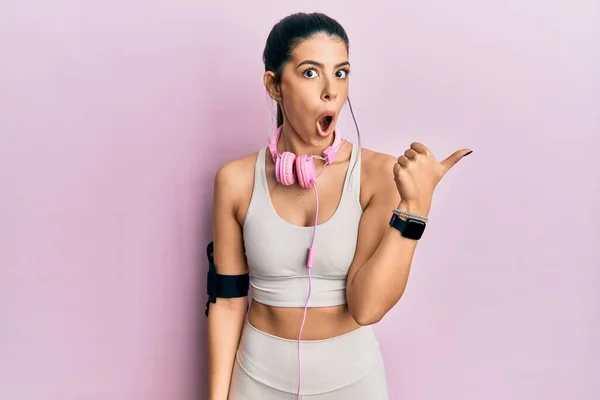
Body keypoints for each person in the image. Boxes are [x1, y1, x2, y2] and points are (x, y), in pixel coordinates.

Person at [206, 12, 471, 400]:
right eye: (311, 73)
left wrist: (415, 208)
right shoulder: (234, 180)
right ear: (274, 85)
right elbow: (228, 304)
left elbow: (366, 308)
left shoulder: (380, 175)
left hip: (352, 384)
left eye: (341, 73)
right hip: (256, 380)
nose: (331, 90)